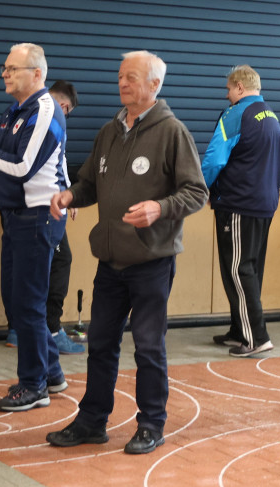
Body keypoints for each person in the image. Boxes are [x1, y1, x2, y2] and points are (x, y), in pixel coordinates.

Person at [45, 50, 207, 455]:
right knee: (100, 343)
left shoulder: (172, 132)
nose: (122, 83)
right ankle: (91, 421)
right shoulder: (109, 132)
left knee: (149, 347)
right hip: (111, 260)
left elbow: (196, 192)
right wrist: (69, 195)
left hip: (151, 261)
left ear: (155, 84)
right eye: (120, 76)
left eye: (131, 77)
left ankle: (151, 424)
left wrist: (159, 208)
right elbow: (90, 183)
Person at [0, 43, 70, 412]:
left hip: (37, 217)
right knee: (19, 301)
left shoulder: (45, 109)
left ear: (37, 74)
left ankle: (33, 385)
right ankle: (52, 373)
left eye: (13, 68)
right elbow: (4, 159)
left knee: (27, 304)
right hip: (15, 216)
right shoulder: (14, 110)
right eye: (5, 67)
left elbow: (21, 167)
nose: (5, 73)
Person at [203, 65, 280, 357]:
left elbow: (214, 159)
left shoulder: (236, 114)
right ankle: (240, 329)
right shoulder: (270, 114)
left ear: (239, 87)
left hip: (238, 204)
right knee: (250, 269)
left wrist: (200, 188)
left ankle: (256, 338)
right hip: (264, 203)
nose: (227, 95)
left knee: (238, 269)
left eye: (228, 89)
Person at [42, 79, 85, 355]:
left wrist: (69, 193)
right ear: (64, 106)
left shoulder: (28, 113)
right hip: (46, 207)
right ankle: (52, 328)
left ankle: (28, 329)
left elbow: (61, 160)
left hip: (43, 204)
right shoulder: (51, 118)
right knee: (60, 260)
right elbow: (55, 163)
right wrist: (65, 195)